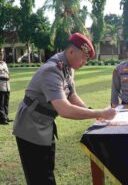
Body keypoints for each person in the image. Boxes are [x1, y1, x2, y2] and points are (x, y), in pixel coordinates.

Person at [12, 32, 116, 185]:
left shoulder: (68, 67)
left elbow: (71, 95)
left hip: (45, 125)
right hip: (30, 127)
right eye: (83, 58)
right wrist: (100, 113)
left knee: (47, 169)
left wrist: (93, 113)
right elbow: (64, 109)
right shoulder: (52, 70)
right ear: (71, 52)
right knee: (39, 177)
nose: (84, 63)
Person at [0, 49, 10, 125]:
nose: (1, 55)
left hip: (7, 86)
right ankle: (3, 119)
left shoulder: (4, 63)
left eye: (2, 54)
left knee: (6, 103)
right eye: (0, 54)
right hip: (0, 86)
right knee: (1, 103)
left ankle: (6, 117)